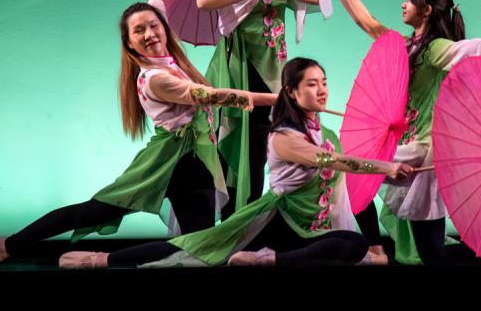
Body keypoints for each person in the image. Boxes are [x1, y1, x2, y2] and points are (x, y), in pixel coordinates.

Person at [0, 0, 271, 271]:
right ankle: (7, 246)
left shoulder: (166, 50)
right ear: (129, 43)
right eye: (139, 31)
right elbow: (214, 96)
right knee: (89, 212)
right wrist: (279, 99)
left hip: (197, 163)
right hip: (164, 162)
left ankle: (97, 260)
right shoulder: (155, 78)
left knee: (198, 249)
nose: (150, 33)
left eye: (154, 26)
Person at [58, 57, 414, 268]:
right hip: (277, 222)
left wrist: (394, 164)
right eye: (311, 84)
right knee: (194, 248)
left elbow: (348, 166)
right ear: (291, 92)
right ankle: (100, 259)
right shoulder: (283, 136)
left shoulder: (328, 132)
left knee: (350, 245)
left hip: (311, 231)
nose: (321, 91)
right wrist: (385, 168)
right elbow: (332, 162)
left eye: (324, 83)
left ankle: (273, 259)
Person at [317, 0, 481, 265]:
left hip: (426, 148)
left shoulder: (433, 48)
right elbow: (367, 22)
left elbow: (466, 48)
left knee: (360, 173)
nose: (404, 4)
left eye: (410, 0)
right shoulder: (406, 45)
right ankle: (377, 248)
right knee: (429, 250)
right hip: (410, 145)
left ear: (427, 10)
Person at [197, 0, 332, 218]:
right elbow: (204, 1)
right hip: (240, 69)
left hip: (275, 72)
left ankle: (253, 222)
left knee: (263, 147)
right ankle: (234, 220)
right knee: (239, 145)